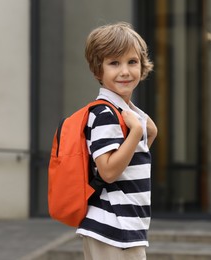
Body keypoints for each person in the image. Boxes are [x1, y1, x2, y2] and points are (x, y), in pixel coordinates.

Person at [76, 22, 157, 260]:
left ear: (142, 66)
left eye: (132, 62)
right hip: (114, 229)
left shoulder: (125, 112)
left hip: (122, 228)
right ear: (98, 70)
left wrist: (145, 130)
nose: (125, 71)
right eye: (114, 63)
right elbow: (109, 171)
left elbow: (130, 162)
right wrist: (135, 133)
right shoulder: (105, 114)